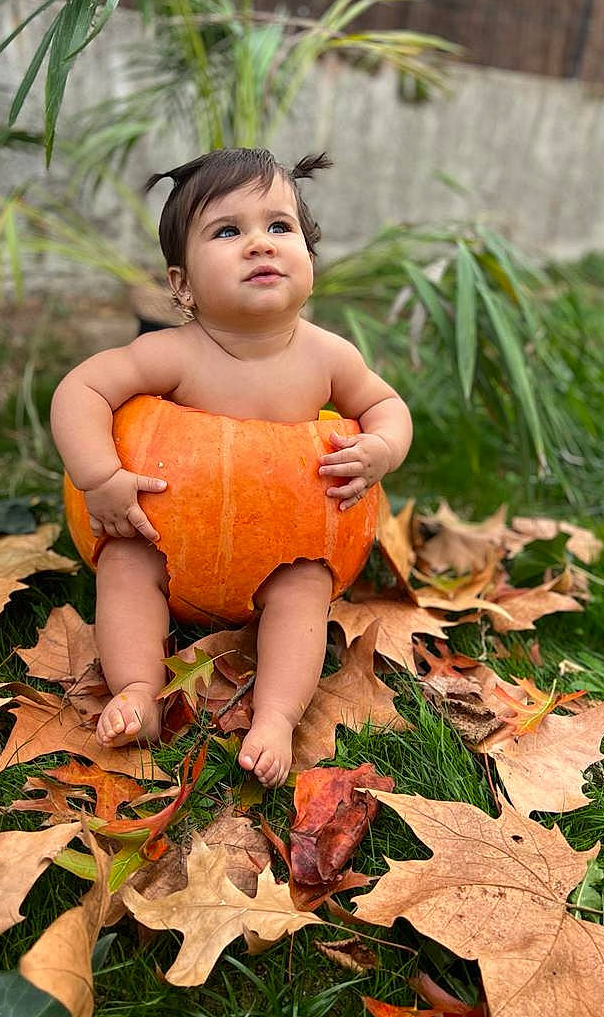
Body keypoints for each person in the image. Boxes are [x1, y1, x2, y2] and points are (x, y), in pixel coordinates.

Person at [50, 147, 412, 787]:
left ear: (309, 261)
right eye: (227, 231)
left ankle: (275, 715)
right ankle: (137, 689)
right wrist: (99, 477)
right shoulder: (172, 353)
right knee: (124, 565)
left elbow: (386, 405)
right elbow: (80, 390)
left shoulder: (328, 356)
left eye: (279, 227)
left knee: (307, 590)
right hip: (166, 541)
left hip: (290, 549)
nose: (259, 245)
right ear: (182, 284)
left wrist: (380, 449)